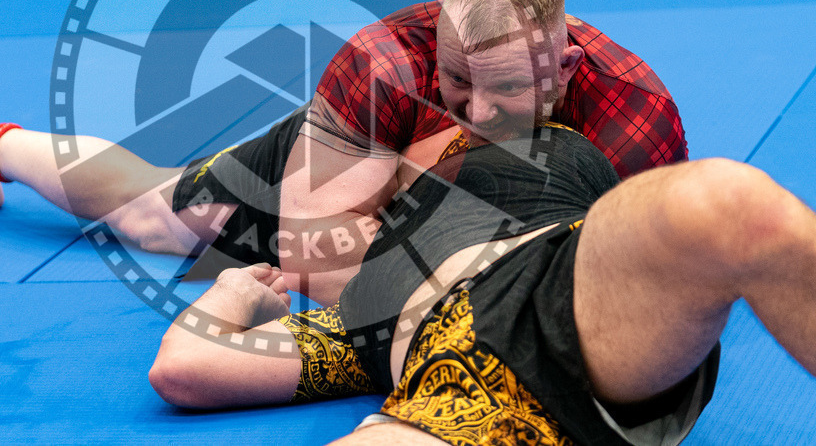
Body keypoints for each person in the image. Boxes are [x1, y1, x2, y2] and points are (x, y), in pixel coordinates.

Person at [0, 0, 686, 304]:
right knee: (160, 219)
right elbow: (309, 251)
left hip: (477, 204)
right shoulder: (384, 64)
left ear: (567, 62)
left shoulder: (634, 117)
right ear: (438, 48)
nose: (479, 111)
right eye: (460, 82)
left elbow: (633, 282)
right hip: (365, 154)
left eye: (511, 90)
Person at [148, 125, 816, 445]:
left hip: (562, 289)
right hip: (467, 396)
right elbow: (184, 368)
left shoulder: (524, 152)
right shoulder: (356, 322)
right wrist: (233, 290)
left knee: (728, 206)